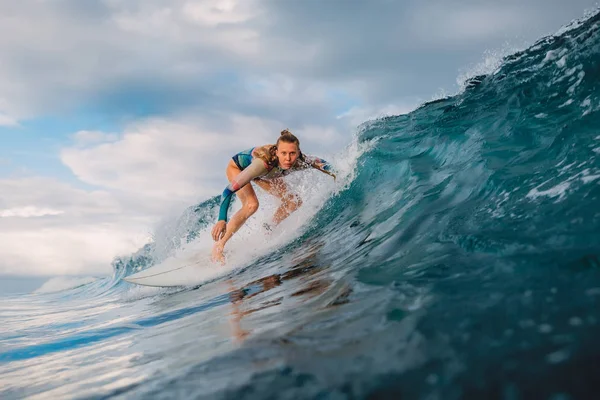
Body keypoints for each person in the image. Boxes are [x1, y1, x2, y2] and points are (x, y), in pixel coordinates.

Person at [211, 129, 335, 262]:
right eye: (284, 153)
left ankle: (268, 226)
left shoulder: (302, 160)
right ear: (276, 152)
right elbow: (228, 190)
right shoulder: (263, 164)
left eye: (292, 153)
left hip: (265, 173)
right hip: (239, 168)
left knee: (294, 201)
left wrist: (339, 174)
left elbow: (324, 164)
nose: (288, 158)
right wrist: (221, 219)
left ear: (298, 152)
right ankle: (219, 246)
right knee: (251, 205)